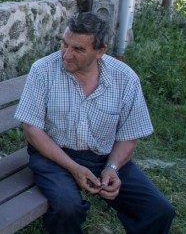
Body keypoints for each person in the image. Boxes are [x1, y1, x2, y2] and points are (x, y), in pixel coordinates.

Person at [14, 12, 175, 233]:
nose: (67, 55)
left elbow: (129, 134)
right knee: (67, 208)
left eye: (78, 49)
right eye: (65, 44)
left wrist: (112, 167)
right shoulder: (43, 70)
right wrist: (74, 167)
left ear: (101, 51)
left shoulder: (125, 78)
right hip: (53, 157)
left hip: (103, 158)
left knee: (159, 210)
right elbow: (32, 129)